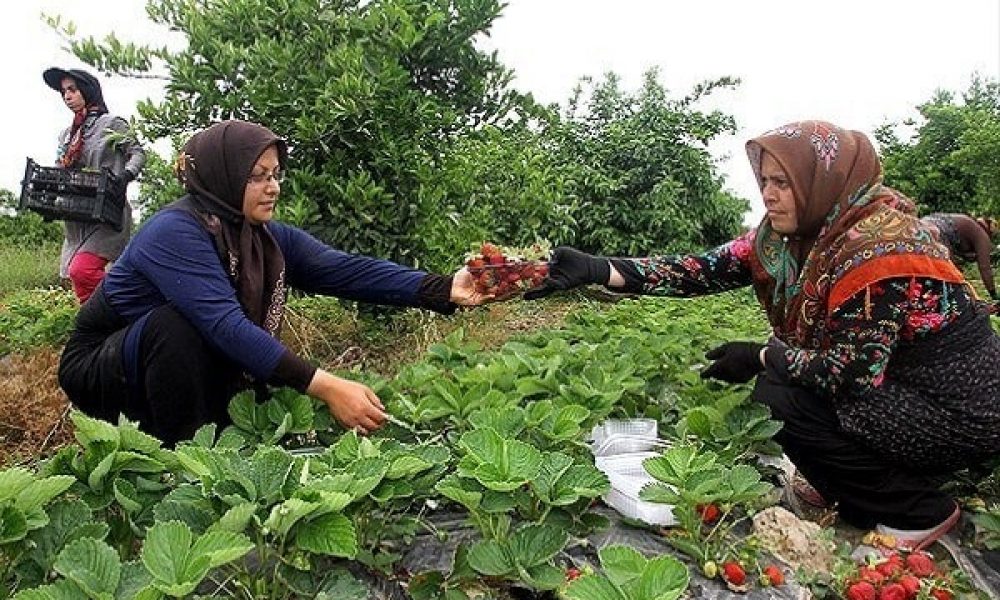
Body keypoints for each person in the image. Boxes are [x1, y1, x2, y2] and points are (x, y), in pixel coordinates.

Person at [527, 120, 1000, 550]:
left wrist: (759, 356)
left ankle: (916, 512)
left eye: (784, 183)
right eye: (766, 182)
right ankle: (855, 474)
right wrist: (598, 268)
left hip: (963, 412)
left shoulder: (879, 253)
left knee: (784, 396)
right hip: (909, 394)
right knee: (787, 383)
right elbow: (699, 270)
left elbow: (850, 376)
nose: (769, 195)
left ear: (823, 181)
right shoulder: (789, 239)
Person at [58, 120, 490, 446]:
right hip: (103, 365)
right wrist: (327, 387)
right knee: (181, 326)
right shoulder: (173, 231)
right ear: (223, 174)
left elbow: (345, 270)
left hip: (158, 363)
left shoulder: (260, 238)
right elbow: (225, 326)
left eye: (275, 173)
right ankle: (182, 458)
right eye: (257, 176)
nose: (273, 187)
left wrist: (444, 287)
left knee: (210, 344)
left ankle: (220, 441)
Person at [43, 67, 147, 303]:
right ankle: (96, 329)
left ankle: (133, 304)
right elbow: (60, 168)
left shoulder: (112, 124)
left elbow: (138, 153)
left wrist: (126, 176)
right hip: (76, 214)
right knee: (77, 278)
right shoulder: (67, 136)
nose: (67, 96)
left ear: (87, 91)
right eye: (63, 92)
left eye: (72, 90)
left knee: (83, 269)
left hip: (106, 212)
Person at [920, 212, 998, 306]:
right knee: (955, 280)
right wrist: (994, 295)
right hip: (935, 233)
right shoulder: (981, 234)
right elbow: (985, 267)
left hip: (919, 228)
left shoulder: (967, 224)